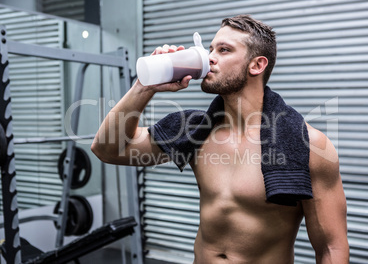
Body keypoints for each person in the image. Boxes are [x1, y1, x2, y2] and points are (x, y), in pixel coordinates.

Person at [91, 15, 349, 263]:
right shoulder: (195, 131)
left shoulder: (306, 144)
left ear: (257, 65)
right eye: (210, 49)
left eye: (224, 50)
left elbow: (330, 247)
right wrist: (145, 86)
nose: (210, 58)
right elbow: (107, 149)